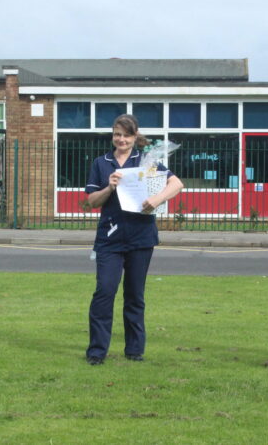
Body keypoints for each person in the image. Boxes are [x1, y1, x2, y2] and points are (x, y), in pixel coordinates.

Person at [84, 114, 183, 365]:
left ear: (135, 136)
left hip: (141, 237)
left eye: (126, 135)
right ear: (112, 136)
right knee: (104, 292)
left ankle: (134, 350)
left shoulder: (146, 162)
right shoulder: (101, 163)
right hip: (109, 237)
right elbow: (91, 201)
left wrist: (157, 200)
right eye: (117, 134)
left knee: (135, 295)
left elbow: (176, 184)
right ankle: (97, 352)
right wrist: (109, 187)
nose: (121, 139)